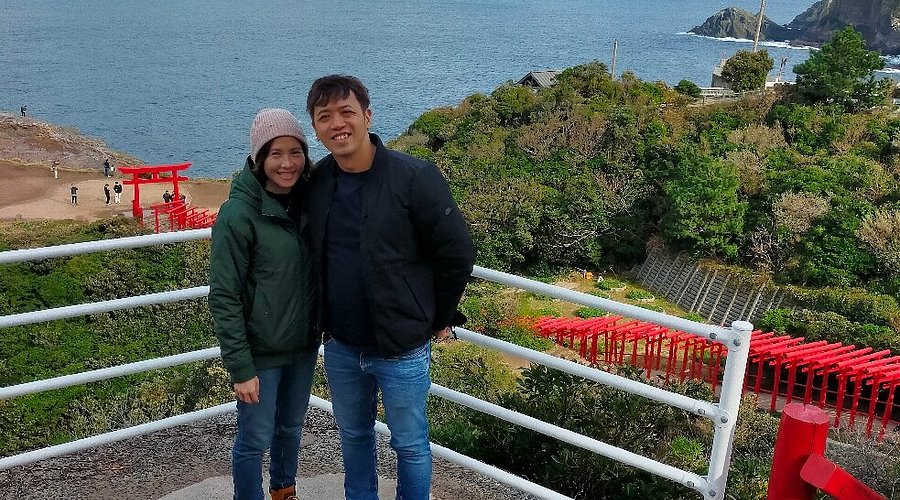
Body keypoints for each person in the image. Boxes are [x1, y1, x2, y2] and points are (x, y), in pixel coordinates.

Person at [305, 75, 474, 500]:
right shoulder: (319, 180)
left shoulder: (414, 177)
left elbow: (456, 253)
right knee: (353, 436)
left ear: (367, 116)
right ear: (316, 127)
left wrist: (439, 317)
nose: (337, 123)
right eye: (324, 116)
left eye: (346, 112)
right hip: (341, 344)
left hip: (402, 345)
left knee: (410, 444)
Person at [208, 108, 318, 500]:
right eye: (276, 154)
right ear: (259, 157)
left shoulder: (310, 201)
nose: (287, 163)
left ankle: (284, 492)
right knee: (254, 439)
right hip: (260, 354)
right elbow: (224, 296)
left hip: (302, 346)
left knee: (290, 429)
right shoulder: (238, 214)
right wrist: (240, 368)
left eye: (295, 152)